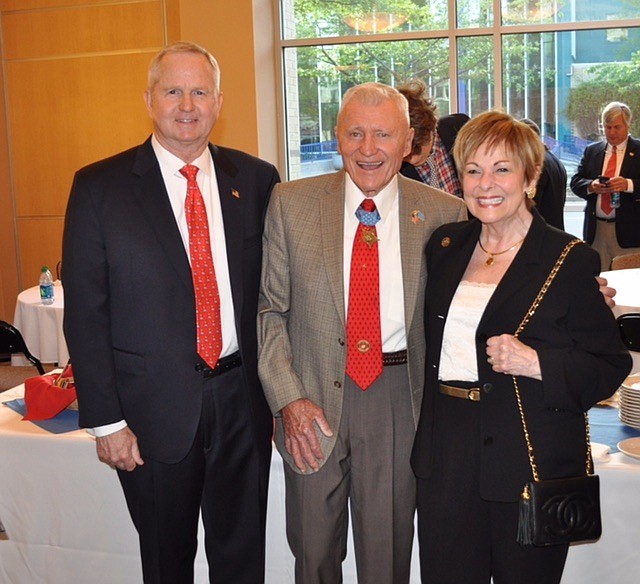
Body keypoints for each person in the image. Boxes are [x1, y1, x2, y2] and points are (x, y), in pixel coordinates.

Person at [62, 41, 279, 583]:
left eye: (200, 91)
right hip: (149, 410)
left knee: (242, 558)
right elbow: (86, 313)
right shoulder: (99, 187)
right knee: (165, 561)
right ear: (149, 99)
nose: (188, 105)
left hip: (241, 404)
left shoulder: (255, 181)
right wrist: (106, 421)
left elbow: (277, 298)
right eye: (174, 91)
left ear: (219, 101)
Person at [257, 82, 466, 583]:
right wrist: (288, 401)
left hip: (398, 400)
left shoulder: (443, 213)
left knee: (387, 553)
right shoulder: (290, 203)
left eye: (382, 134)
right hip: (309, 398)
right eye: (355, 133)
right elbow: (269, 312)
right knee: (312, 552)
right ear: (337, 137)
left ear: (408, 140)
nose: (367, 148)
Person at [411, 110, 631, 584]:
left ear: (530, 177)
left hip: (526, 463)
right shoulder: (445, 245)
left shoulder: (569, 259)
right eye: (473, 170)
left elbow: (608, 366)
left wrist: (537, 362)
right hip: (446, 460)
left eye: (502, 169)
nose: (485, 184)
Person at [570, 101, 640, 270]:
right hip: (597, 231)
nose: (612, 132)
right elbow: (576, 181)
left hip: (629, 232)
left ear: (628, 125)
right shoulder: (592, 151)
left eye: (617, 127)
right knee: (599, 284)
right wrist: (591, 186)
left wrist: (628, 185)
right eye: (607, 127)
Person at [398, 79, 469, 198]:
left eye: (418, 147)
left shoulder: (460, 128)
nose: (411, 158)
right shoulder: (394, 165)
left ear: (430, 127)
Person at [519, 118, 567, 229]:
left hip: (539, 232)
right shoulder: (555, 161)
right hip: (554, 230)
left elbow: (532, 205)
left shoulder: (536, 165)